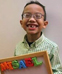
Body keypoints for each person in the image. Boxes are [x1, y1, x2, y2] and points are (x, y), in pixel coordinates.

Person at [14, 1, 62, 74]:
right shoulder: (18, 47)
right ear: (21, 23)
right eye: (27, 15)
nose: (32, 19)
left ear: (44, 24)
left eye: (38, 16)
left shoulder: (52, 47)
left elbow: (58, 71)